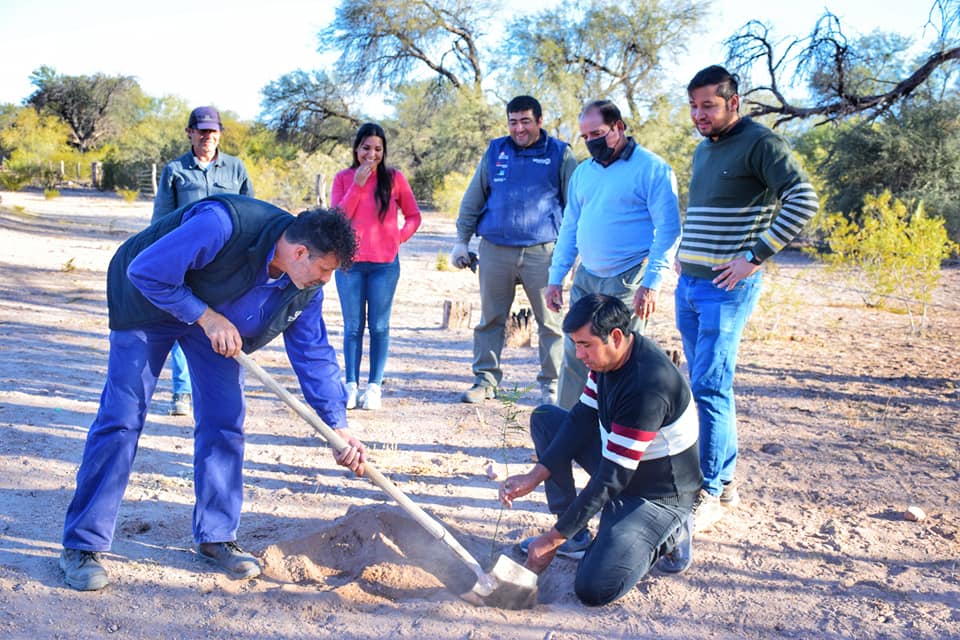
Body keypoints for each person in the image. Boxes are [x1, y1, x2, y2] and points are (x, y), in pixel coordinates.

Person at [59, 194, 367, 592]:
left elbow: (314, 355)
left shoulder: (305, 288)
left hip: (214, 319)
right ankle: (82, 546)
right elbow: (145, 270)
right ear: (300, 252)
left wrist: (337, 426)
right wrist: (205, 316)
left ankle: (216, 536)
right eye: (325, 270)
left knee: (225, 420)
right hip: (148, 300)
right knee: (122, 419)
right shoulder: (222, 223)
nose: (326, 280)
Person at [679, 65, 818, 532]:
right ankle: (726, 484)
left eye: (709, 106)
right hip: (690, 285)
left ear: (733, 102)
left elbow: (803, 199)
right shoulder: (704, 148)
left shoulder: (761, 143)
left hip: (726, 289)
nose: (699, 114)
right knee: (707, 387)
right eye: (694, 106)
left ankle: (711, 492)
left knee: (710, 387)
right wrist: (685, 255)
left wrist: (754, 257)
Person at [498, 294, 701, 606]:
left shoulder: (646, 388)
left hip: (657, 493)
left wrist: (553, 538)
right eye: (575, 345)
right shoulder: (610, 358)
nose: (579, 354)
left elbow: (611, 478)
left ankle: (672, 530)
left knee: (595, 587)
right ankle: (577, 535)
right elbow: (581, 417)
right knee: (546, 418)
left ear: (615, 337)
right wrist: (534, 476)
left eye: (585, 345)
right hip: (623, 466)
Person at [546, 100, 682, 409]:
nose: (591, 142)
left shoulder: (652, 168)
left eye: (597, 133)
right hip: (586, 276)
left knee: (617, 359)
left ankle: (617, 426)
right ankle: (568, 423)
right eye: (585, 137)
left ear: (618, 127)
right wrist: (556, 277)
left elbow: (669, 230)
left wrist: (652, 283)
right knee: (576, 352)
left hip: (628, 278)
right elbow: (570, 227)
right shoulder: (583, 173)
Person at [450, 95, 578, 405]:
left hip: (543, 252)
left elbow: (577, 205)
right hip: (495, 249)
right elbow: (474, 197)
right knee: (491, 319)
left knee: (551, 322)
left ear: (540, 121)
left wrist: (577, 252)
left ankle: (552, 386)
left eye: (525, 121)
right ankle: (485, 380)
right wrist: (461, 240)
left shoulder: (560, 154)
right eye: (513, 122)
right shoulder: (496, 151)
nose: (519, 128)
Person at [152, 106, 254, 417]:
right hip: (186, 264)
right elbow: (161, 220)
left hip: (226, 265)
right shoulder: (175, 170)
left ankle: (220, 392)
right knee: (185, 320)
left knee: (224, 324)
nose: (207, 136)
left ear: (220, 133)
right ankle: (183, 391)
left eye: (213, 130)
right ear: (190, 133)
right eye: (201, 130)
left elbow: (251, 213)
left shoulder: (235, 168)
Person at [331, 123, 421, 411]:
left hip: (385, 266)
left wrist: (397, 238)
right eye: (366, 148)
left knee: (379, 327)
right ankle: (351, 386)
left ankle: (374, 387)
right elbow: (338, 219)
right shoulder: (343, 178)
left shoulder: (394, 178)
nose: (372, 154)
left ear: (384, 151)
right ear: (356, 149)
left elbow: (414, 216)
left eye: (378, 149)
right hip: (349, 265)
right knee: (352, 327)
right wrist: (357, 185)